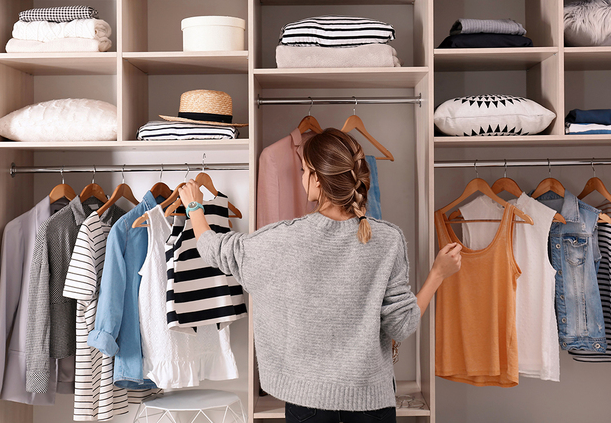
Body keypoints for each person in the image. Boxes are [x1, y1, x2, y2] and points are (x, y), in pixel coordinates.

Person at [178, 128, 461, 423]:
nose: (302, 178)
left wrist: (195, 207)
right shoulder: (388, 240)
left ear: (316, 179)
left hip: (308, 402)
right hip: (371, 402)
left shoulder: (284, 239)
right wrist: (438, 274)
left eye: (304, 171)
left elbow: (217, 250)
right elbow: (401, 325)